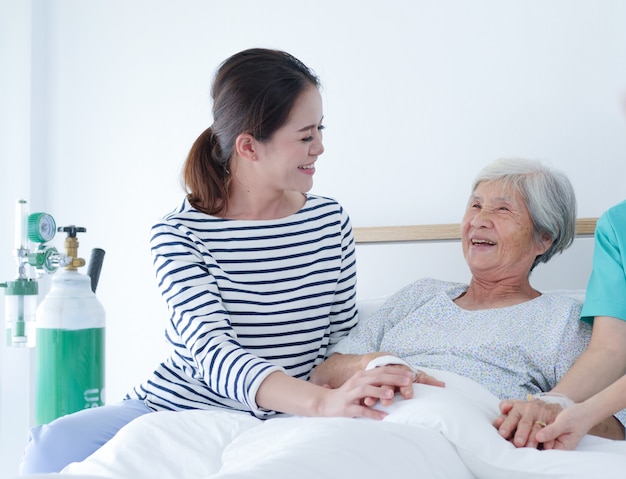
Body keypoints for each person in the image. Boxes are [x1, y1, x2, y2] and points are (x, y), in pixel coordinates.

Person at [19, 48, 425, 474]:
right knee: (48, 449)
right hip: (179, 404)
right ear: (248, 146)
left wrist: (368, 368)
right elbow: (213, 354)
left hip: (286, 411)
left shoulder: (329, 221)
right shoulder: (179, 234)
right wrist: (321, 402)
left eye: (320, 129)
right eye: (306, 136)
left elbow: (340, 338)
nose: (320, 147)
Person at [311, 158, 617, 425]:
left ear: (544, 238)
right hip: (361, 422)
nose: (480, 220)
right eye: (475, 205)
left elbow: (612, 422)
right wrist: (377, 364)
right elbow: (323, 374)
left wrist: (541, 416)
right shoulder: (419, 295)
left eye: (502, 209)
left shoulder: (562, 320)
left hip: (457, 433)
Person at [495, 199, 626, 449]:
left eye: (502, 209)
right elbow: (611, 347)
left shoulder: (558, 321)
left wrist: (588, 412)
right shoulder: (618, 224)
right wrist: (557, 403)